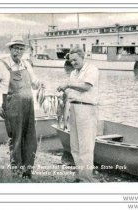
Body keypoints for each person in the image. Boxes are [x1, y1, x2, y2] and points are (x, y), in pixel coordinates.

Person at [0, 36, 43, 179]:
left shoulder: (26, 64)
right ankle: (17, 172)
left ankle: (28, 171)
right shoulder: (2, 65)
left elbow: (34, 83)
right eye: (15, 48)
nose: (18, 51)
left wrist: (39, 84)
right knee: (16, 140)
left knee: (30, 139)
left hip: (28, 106)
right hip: (12, 106)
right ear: (10, 49)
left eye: (21, 48)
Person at [57, 46, 99, 182]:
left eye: (75, 60)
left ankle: (86, 178)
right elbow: (71, 92)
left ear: (83, 57)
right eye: (71, 61)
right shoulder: (73, 73)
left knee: (86, 146)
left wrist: (68, 85)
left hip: (87, 109)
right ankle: (80, 176)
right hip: (73, 109)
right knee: (75, 146)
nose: (73, 63)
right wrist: (62, 93)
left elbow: (86, 87)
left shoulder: (91, 69)